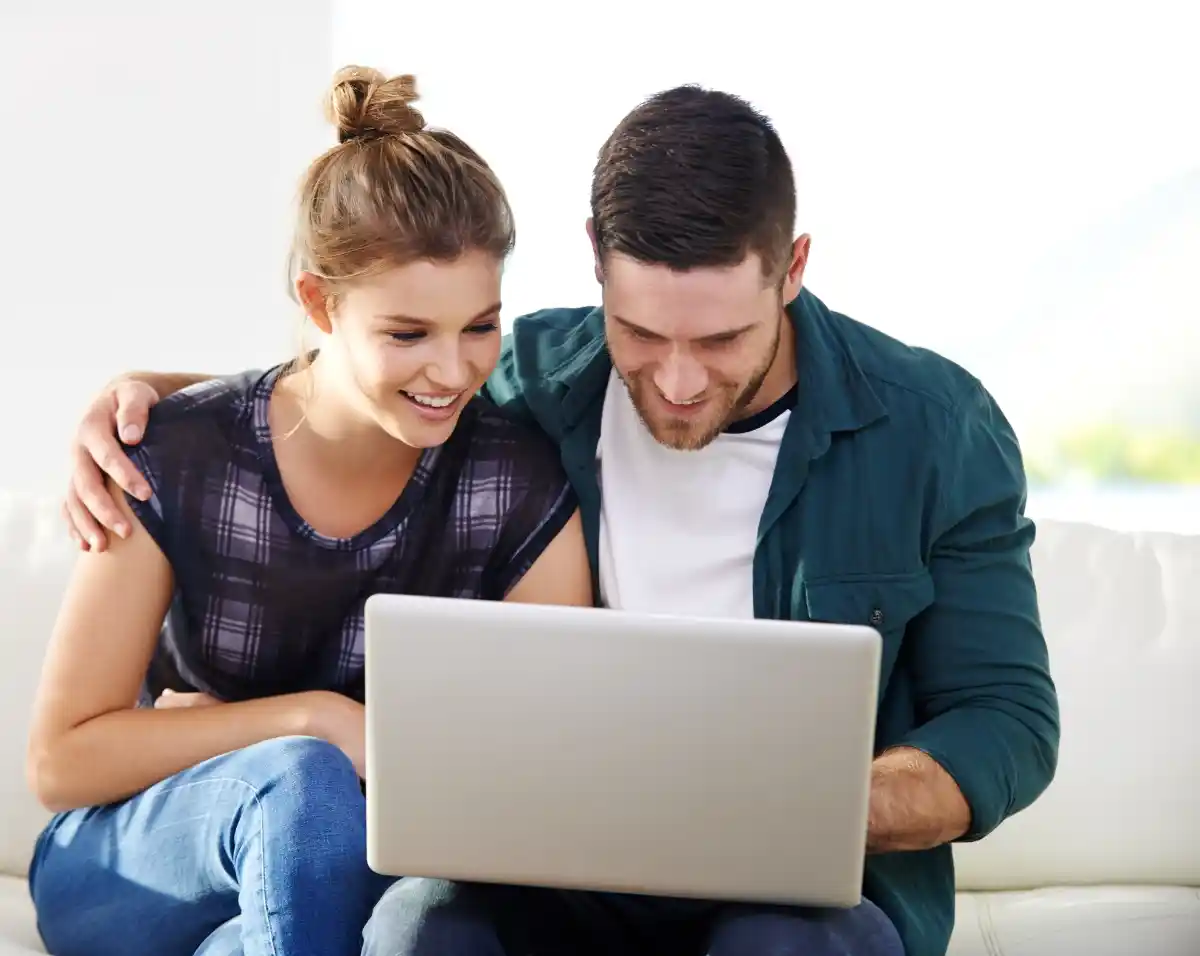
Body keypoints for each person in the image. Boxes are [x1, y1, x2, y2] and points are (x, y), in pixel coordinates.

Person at [59, 84, 1060, 956]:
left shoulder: (936, 431)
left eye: (721, 340)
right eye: (639, 331)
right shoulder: (533, 378)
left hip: (792, 894)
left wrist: (824, 804)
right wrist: (146, 400)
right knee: (415, 929)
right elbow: (359, 386)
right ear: (594, 264)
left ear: (792, 268)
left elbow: (1006, 717)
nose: (675, 380)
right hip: (551, 883)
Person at [28, 65, 592, 956]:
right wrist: (314, 718)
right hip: (131, 863)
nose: (453, 370)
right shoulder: (173, 453)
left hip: (342, 888)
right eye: (408, 334)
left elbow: (535, 774)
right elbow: (62, 762)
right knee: (303, 780)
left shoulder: (514, 487)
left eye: (479, 326)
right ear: (320, 303)